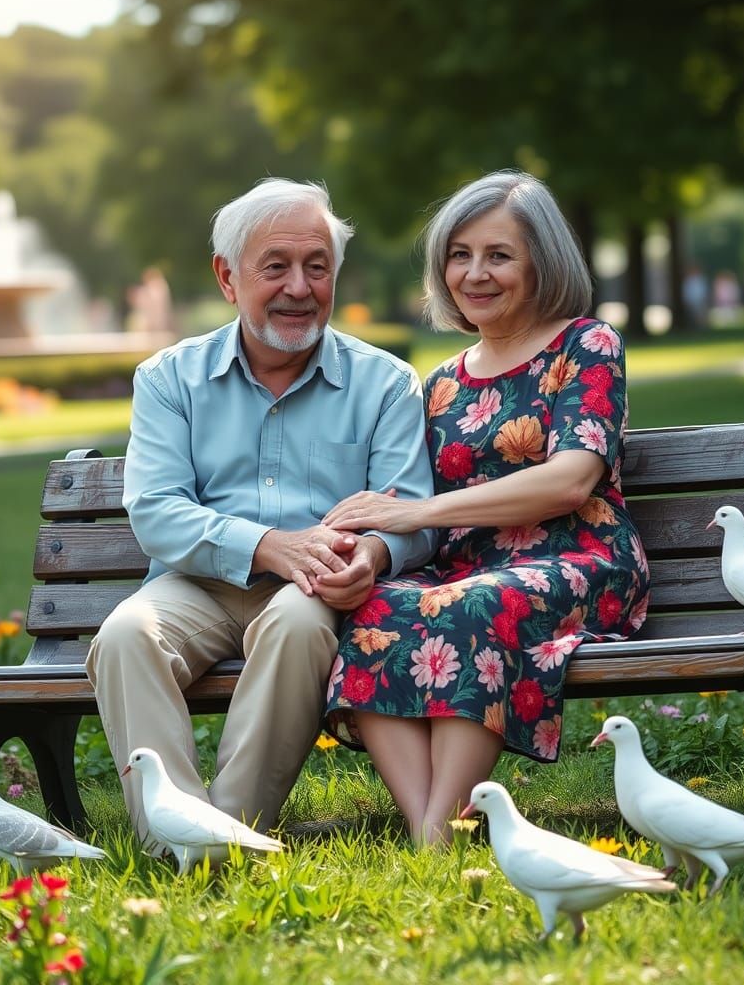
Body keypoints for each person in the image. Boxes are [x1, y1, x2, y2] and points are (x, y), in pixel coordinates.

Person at [86, 178, 437, 845]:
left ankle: (222, 840)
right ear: (228, 277)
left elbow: (412, 512)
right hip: (196, 583)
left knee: (300, 627)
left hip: (314, 589)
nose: (299, 288)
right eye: (276, 267)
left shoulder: (385, 383)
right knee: (126, 637)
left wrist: (373, 555)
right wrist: (267, 544)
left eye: (317, 267)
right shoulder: (168, 379)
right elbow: (156, 510)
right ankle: (175, 841)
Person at [322, 171, 651, 846]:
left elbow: (569, 481)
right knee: (375, 610)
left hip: (578, 561)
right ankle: (430, 832)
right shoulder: (443, 382)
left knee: (476, 605)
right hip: (470, 569)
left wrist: (414, 514)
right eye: (459, 254)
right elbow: (401, 494)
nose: (475, 273)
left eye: (499, 255)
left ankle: (437, 831)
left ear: (541, 264)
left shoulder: (584, 345)